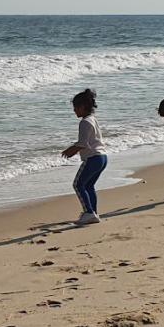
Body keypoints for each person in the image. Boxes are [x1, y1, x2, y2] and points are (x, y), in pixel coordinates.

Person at [61, 88, 107, 225]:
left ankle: (88, 212)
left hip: (93, 158)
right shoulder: (93, 119)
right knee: (89, 185)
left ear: (82, 107)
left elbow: (83, 143)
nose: (74, 111)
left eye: (75, 108)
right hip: (102, 157)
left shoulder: (85, 122)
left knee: (78, 184)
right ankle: (93, 212)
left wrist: (71, 150)